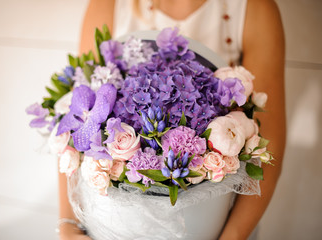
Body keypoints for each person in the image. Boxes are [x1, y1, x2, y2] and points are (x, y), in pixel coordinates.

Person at [58, 0, 286, 239]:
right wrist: (68, 225)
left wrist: (233, 236)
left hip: (216, 226)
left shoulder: (254, 7)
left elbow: (268, 144)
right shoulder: (106, 5)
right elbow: (73, 120)